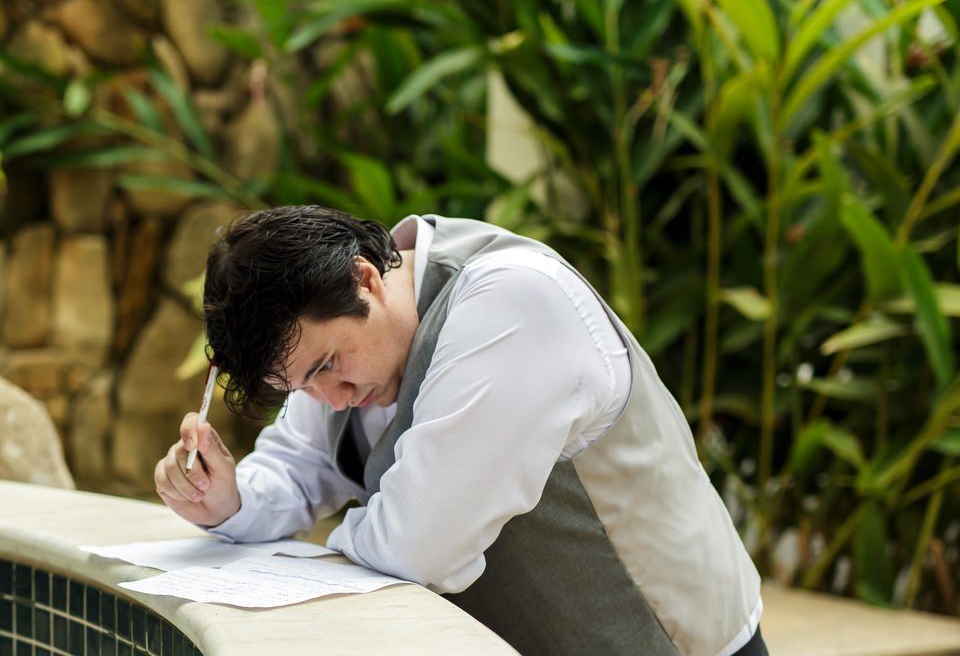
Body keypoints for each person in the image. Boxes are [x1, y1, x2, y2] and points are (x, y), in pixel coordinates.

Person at [153, 205, 767, 655]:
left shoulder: (513, 302)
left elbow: (419, 546)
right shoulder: (340, 338)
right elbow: (294, 469)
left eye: (327, 366)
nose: (329, 398)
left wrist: (341, 538)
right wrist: (227, 501)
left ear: (364, 278)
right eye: (300, 388)